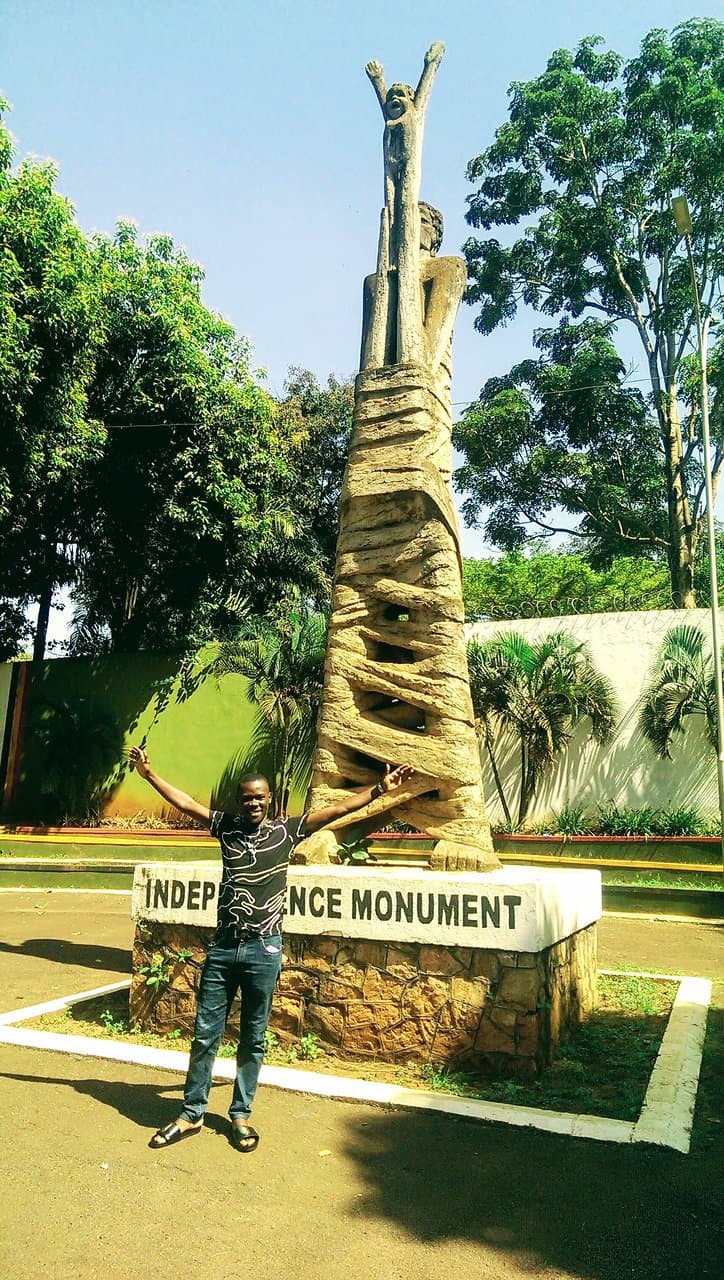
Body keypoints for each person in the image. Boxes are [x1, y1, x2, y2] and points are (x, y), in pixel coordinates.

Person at [128, 744, 413, 1153]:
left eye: (260, 797)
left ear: (270, 799)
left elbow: (336, 811)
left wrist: (379, 789)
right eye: (247, 798)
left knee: (253, 1037)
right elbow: (187, 803)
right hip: (224, 949)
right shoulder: (226, 827)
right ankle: (191, 1113)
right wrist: (149, 775)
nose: (254, 803)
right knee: (205, 1035)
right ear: (238, 802)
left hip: (263, 950)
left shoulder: (286, 831)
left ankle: (240, 1115)